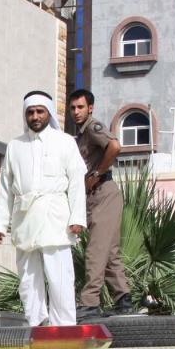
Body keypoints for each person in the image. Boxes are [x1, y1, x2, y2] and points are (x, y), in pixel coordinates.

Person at [0, 90, 88, 327]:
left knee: (60, 277)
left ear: (48, 113)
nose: (35, 117)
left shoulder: (65, 142)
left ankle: (64, 326)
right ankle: (36, 322)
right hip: (24, 218)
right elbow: (5, 187)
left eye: (39, 112)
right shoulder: (15, 146)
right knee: (28, 277)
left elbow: (76, 183)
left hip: (56, 217)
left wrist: (77, 218)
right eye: (30, 112)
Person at [68, 89, 132, 321]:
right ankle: (123, 299)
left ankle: (89, 303)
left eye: (80, 107)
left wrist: (98, 172)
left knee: (95, 251)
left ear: (90, 108)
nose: (76, 112)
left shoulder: (93, 128)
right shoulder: (80, 135)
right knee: (110, 252)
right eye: (73, 108)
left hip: (103, 192)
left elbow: (114, 146)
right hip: (96, 196)